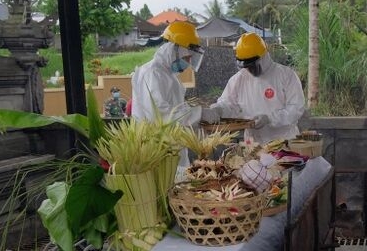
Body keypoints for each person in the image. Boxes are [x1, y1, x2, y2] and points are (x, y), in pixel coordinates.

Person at [131, 20, 219, 171]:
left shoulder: (169, 74)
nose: (188, 63)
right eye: (187, 58)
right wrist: (200, 113)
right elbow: (161, 114)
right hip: (156, 150)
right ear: (174, 50)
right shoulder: (153, 73)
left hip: (172, 147)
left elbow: (177, 108)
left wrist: (198, 126)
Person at [211, 32, 305, 144]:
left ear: (264, 57)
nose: (249, 70)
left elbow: (296, 108)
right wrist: (219, 109)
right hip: (253, 144)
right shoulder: (238, 79)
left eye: (252, 65)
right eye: (246, 66)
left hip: (284, 143)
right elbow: (228, 104)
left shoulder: (286, 75)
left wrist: (270, 118)